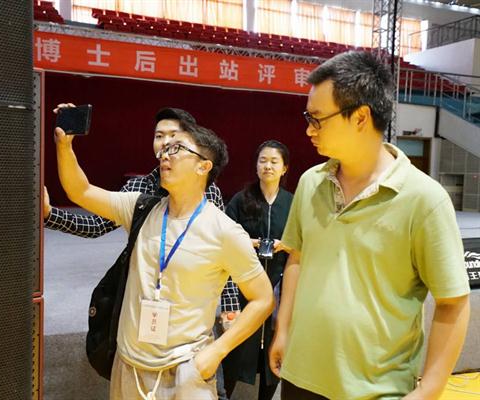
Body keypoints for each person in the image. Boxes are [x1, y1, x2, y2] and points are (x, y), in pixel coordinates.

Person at [268, 50, 470, 400]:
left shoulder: (424, 199)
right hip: (299, 377)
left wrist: (430, 389)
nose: (308, 129)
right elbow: (297, 259)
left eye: (317, 119)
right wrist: (282, 329)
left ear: (360, 117)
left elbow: (453, 302)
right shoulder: (311, 182)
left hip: (375, 390)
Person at [54, 114, 275, 399]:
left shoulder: (225, 231)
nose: (165, 154)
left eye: (177, 148)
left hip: (186, 371)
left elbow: (263, 299)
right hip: (128, 366)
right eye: (165, 147)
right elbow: (81, 191)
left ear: (203, 166)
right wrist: (64, 146)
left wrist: (215, 353)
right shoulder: (141, 208)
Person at [223, 140, 293, 400]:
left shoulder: (293, 203)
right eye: (263, 160)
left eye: (274, 162)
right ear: (255, 166)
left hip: (279, 286)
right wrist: (248, 242)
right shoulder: (241, 199)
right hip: (245, 287)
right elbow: (224, 236)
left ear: (284, 168)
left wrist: (286, 245)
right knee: (236, 351)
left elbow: (304, 241)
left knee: (274, 353)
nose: (268, 166)